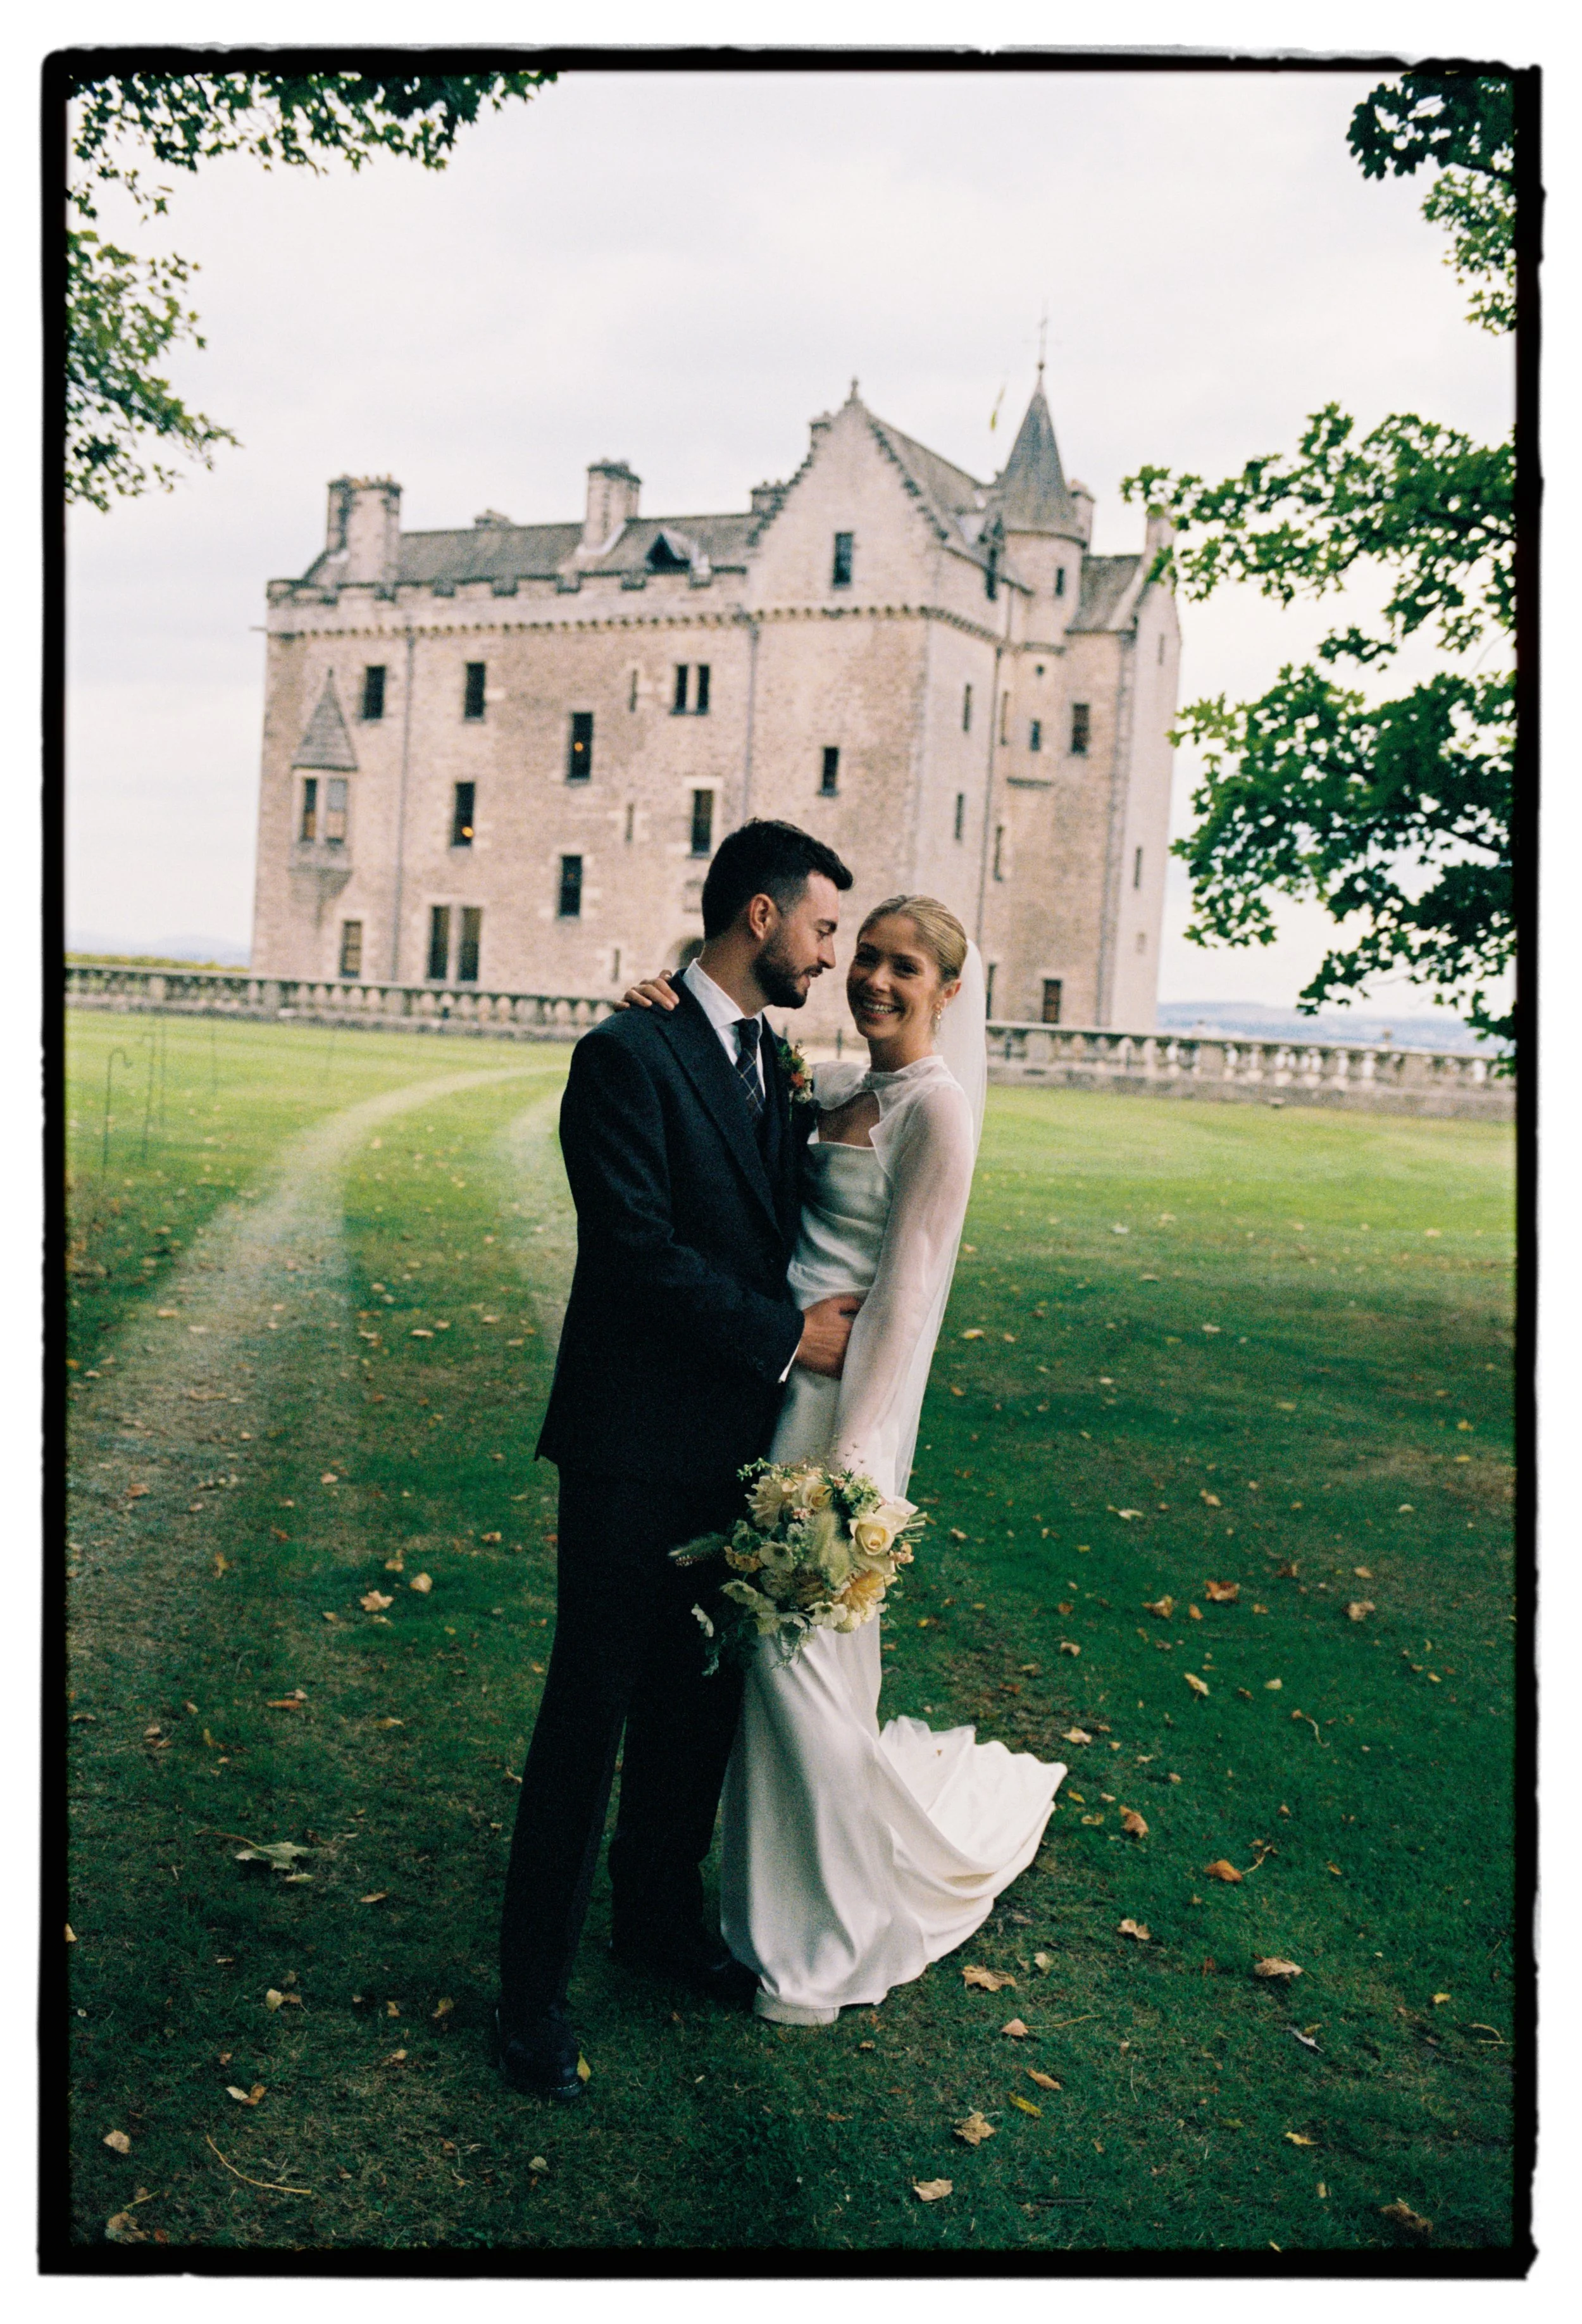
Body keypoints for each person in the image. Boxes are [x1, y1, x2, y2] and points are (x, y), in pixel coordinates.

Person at [621, 897, 1064, 2027]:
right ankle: (763, 1907)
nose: (873, 978)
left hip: (841, 1424)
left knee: (794, 1669)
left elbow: (908, 1306)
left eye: (903, 967)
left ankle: (837, 1925)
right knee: (754, 1664)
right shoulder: (826, 1086)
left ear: (949, 994)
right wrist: (660, 1002)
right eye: (864, 956)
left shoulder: (940, 1115)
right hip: (764, 1395)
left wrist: (850, 1479)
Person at [495, 820, 856, 2101]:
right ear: (758, 918)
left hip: (735, 1449)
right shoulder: (622, 1054)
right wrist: (786, 1339)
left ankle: (655, 1926)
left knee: (695, 1702)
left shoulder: (769, 1057)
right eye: (819, 930)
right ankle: (526, 1996)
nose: (831, 956)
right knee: (587, 1713)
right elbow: (636, 1251)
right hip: (627, 1445)